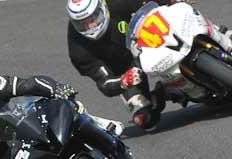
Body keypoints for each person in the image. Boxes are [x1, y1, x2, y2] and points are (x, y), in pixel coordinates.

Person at [67, 0, 232, 129]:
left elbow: (150, 3)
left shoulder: (116, 3)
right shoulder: (78, 49)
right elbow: (104, 82)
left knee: (185, 12)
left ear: (102, 8)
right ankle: (167, 91)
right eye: (82, 22)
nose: (90, 25)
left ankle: (222, 35)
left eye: (92, 18)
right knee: (143, 119)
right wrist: (124, 81)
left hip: (147, 39)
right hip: (127, 69)